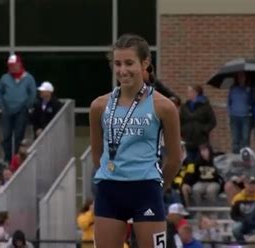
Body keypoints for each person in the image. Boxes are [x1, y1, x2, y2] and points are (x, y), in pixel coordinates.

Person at [89, 34, 181, 248]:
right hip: (109, 191)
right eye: (118, 64)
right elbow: (97, 155)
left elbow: (175, 159)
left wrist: (158, 186)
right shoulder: (99, 106)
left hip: (146, 191)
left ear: (145, 63)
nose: (123, 70)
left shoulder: (164, 106)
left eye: (129, 63)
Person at [0, 54, 36, 163]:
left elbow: (32, 93)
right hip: (7, 110)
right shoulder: (5, 78)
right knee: (6, 136)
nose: (12, 67)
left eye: (14, 65)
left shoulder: (28, 78)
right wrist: (2, 105)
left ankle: (17, 159)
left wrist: (27, 105)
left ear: (19, 64)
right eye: (10, 65)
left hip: (21, 110)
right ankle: (8, 158)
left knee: (19, 136)